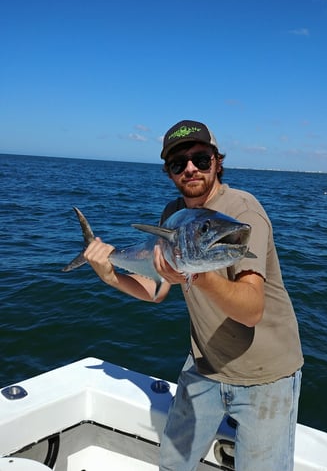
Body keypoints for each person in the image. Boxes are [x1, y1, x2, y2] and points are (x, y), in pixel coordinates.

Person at [84, 120, 304, 471]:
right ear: (169, 172)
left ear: (217, 162)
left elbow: (251, 311)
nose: (190, 168)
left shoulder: (244, 213)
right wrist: (111, 275)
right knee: (173, 464)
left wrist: (196, 274)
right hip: (203, 364)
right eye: (178, 163)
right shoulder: (174, 215)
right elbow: (156, 289)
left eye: (200, 159)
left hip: (266, 375)